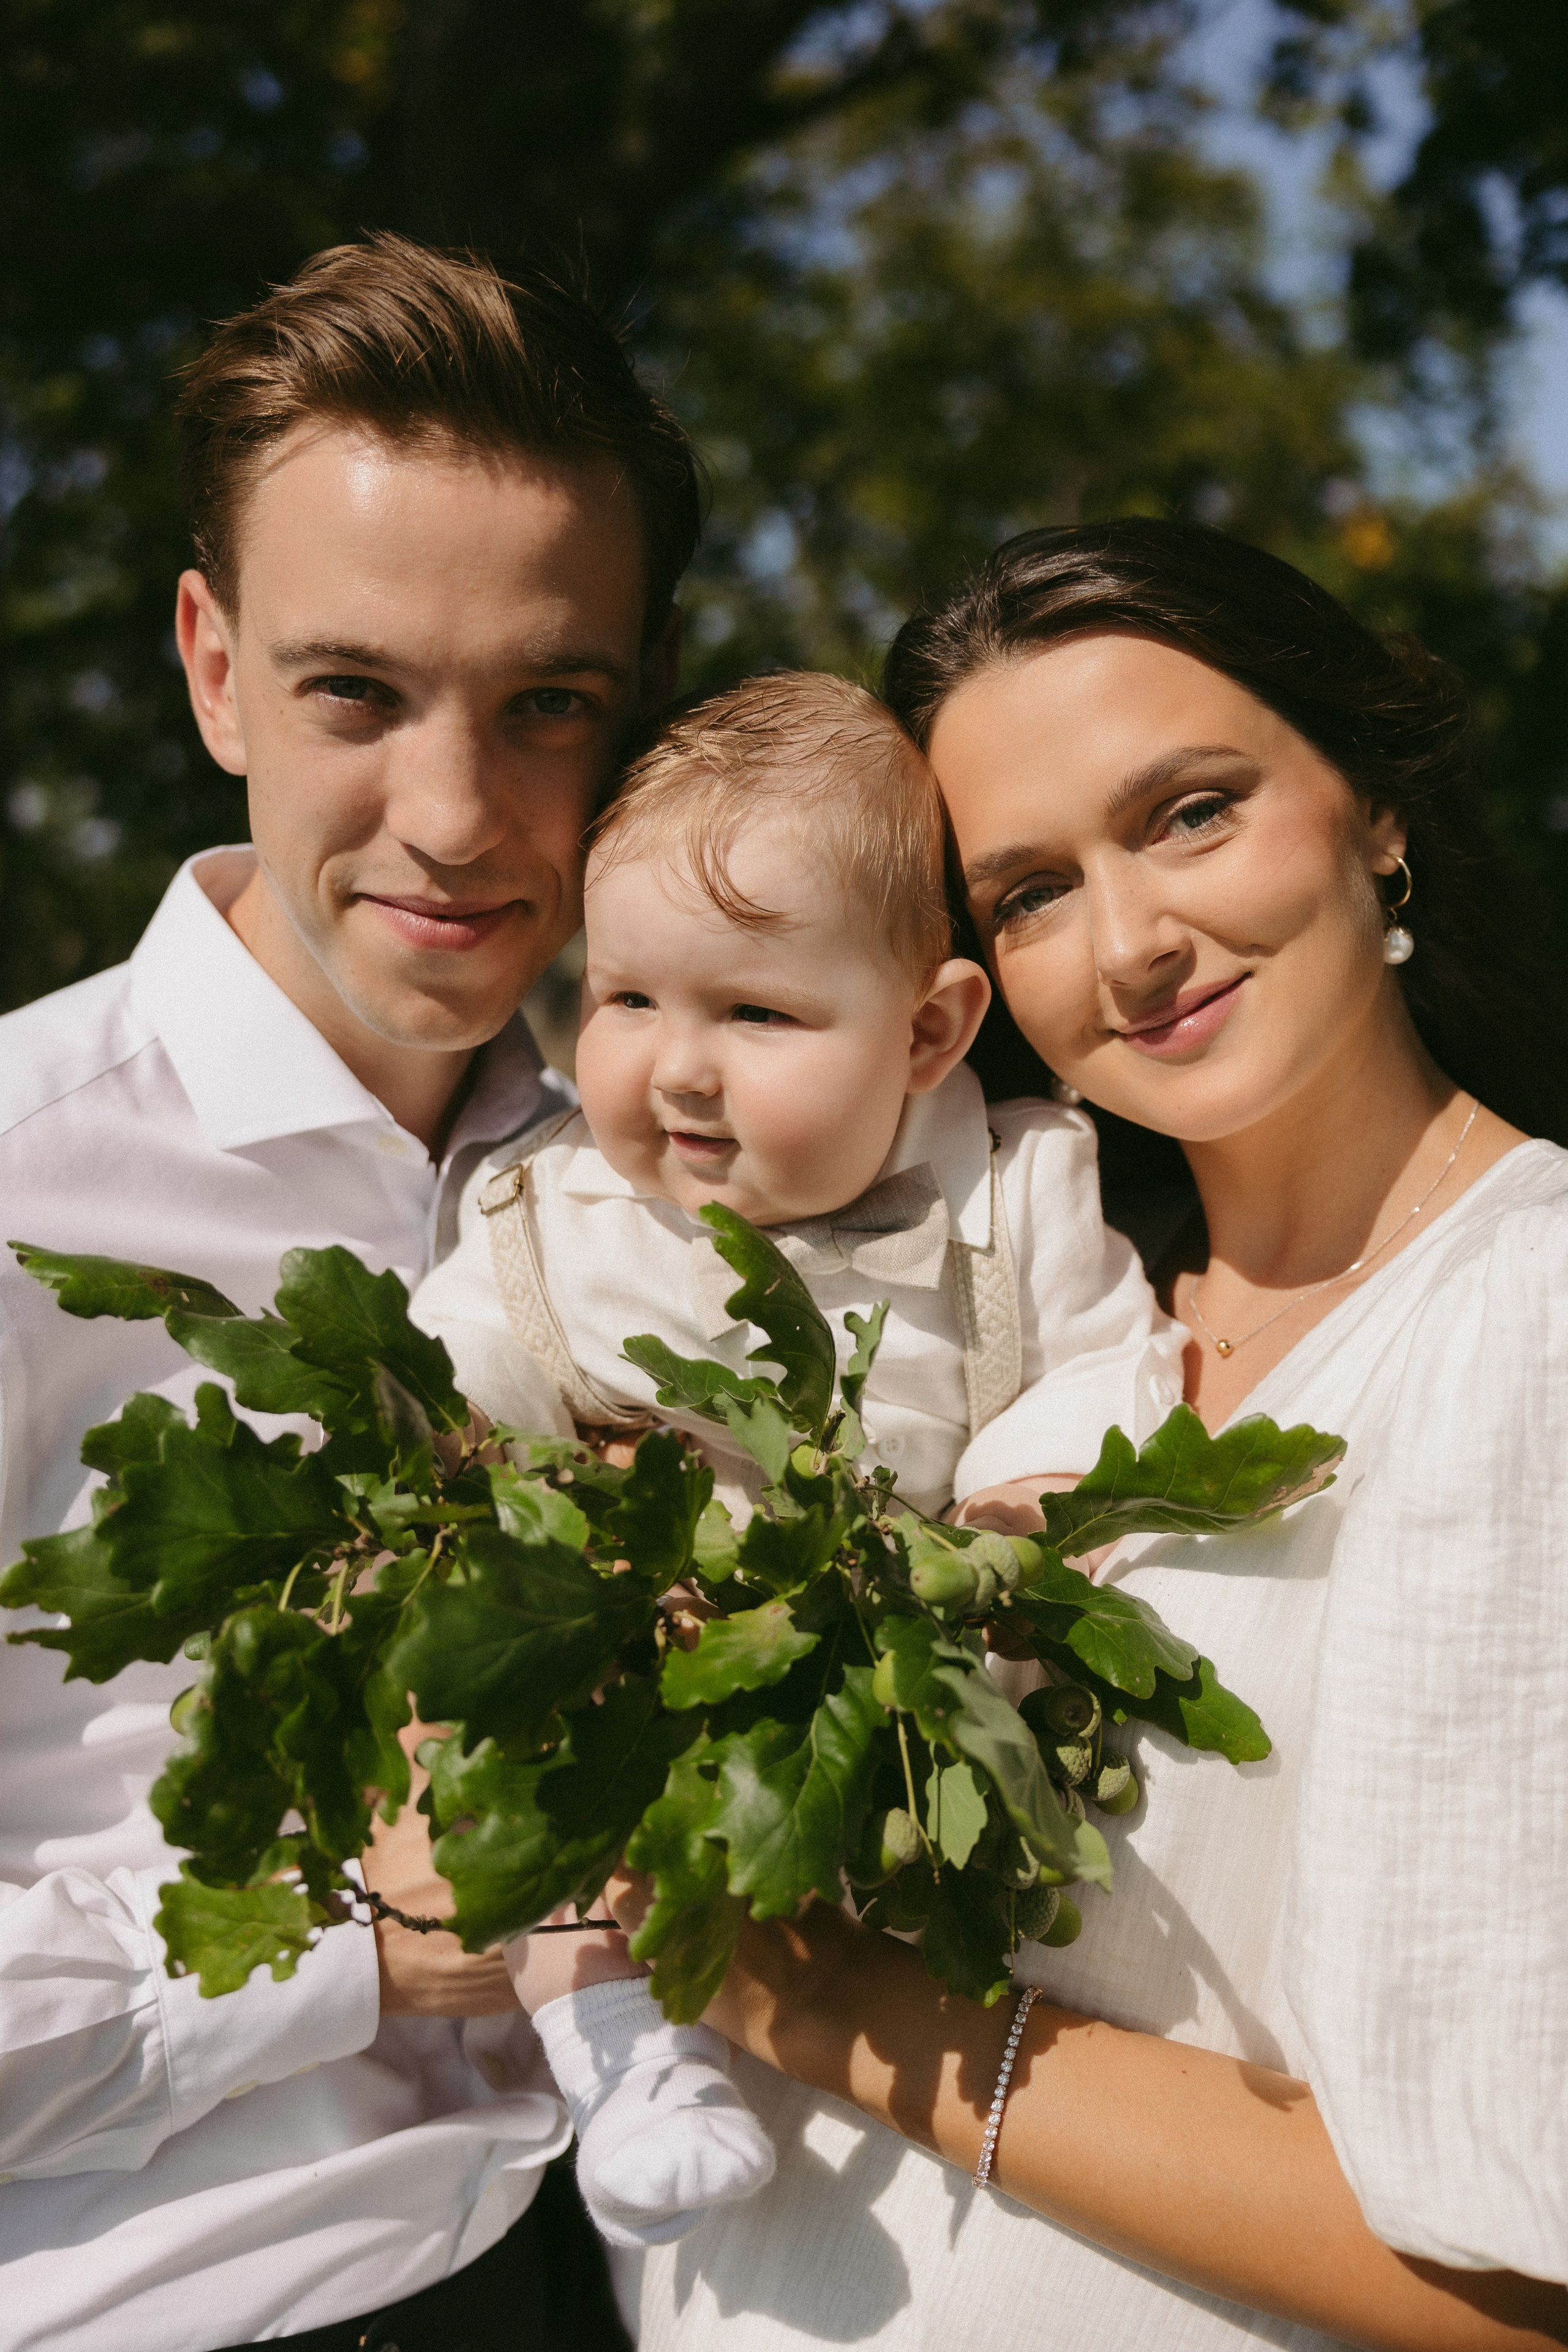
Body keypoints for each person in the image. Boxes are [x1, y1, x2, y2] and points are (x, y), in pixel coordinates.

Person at [612, 521, 1568, 2352]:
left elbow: (1511, 2270)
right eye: (1033, 890)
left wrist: (817, 2007)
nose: (1129, 944)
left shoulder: (1517, 1318)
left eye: (1192, 812)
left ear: (1373, 806)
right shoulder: (1081, 1370)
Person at [0, 231, 694, 2352]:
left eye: (550, 705)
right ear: (213, 667)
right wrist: (359, 1935)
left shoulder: (665, 1188)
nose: (460, 819)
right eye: (355, 693)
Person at [414, 668, 1183, 2253]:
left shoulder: (1016, 1188)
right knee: (534, 1761)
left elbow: (1111, 1359)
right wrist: (461, 1467)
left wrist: (1020, 1498)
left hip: (902, 1695)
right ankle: (620, 2049)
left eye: (755, 1012)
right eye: (626, 998)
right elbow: (457, 1361)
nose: (676, 1068)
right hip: (644, 1672)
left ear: (927, 1029)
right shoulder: (551, 1216)